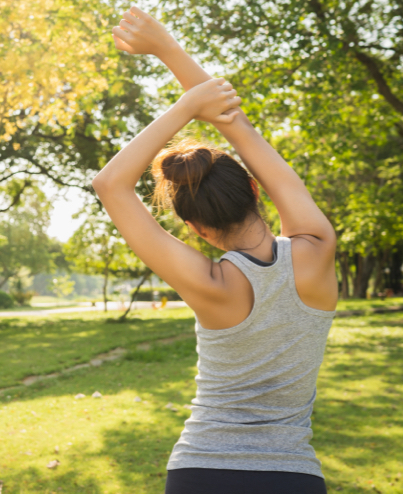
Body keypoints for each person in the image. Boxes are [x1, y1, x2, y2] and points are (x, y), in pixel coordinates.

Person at [92, 7, 338, 494]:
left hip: (200, 471)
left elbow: (110, 184)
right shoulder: (317, 249)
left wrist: (185, 107)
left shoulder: (210, 285)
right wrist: (169, 50)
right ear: (253, 186)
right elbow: (238, 127)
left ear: (197, 229)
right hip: (292, 477)